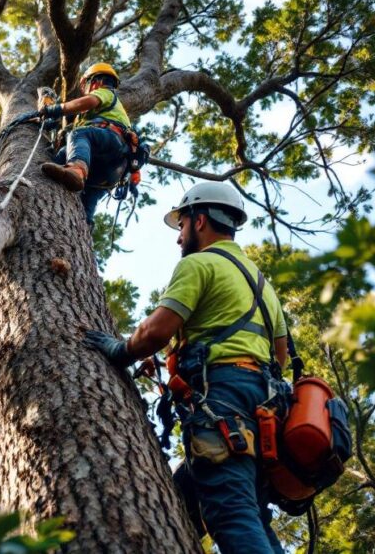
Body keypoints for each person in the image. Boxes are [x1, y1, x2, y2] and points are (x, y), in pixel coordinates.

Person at [82, 181, 289, 554]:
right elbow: (281, 355)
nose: (178, 238)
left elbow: (154, 331)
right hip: (264, 407)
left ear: (200, 219)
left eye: (181, 226)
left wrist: (120, 348)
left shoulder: (199, 263)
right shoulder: (262, 284)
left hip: (223, 399)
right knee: (248, 511)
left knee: (231, 512)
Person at [31, 62, 136, 224]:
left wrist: (54, 109)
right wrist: (46, 122)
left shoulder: (106, 92)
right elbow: (71, 138)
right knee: (86, 194)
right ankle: (86, 227)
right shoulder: (87, 119)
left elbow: (85, 103)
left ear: (95, 81)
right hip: (109, 172)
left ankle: (77, 170)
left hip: (111, 143)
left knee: (78, 134)